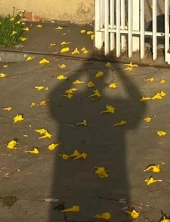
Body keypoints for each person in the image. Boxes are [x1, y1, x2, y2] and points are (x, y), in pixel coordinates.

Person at [49, 57, 144, 221]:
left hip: (75, 173)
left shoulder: (72, 105)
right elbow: (139, 104)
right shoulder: (117, 105)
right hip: (114, 167)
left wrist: (81, 70)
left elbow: (54, 96)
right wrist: (120, 71)